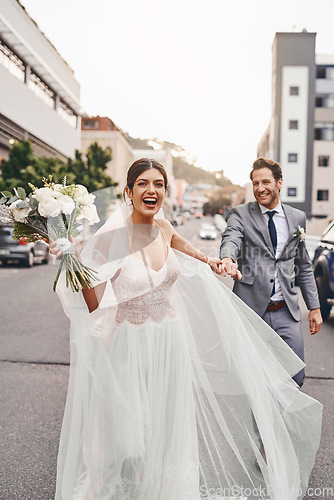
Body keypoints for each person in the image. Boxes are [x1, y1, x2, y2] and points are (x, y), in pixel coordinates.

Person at [51, 158, 322, 500]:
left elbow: (183, 245)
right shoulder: (112, 239)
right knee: (129, 442)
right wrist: (71, 262)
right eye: (144, 184)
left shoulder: (163, 228)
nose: (152, 190)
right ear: (129, 191)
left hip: (170, 343)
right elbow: (94, 306)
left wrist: (211, 260)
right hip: (131, 347)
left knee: (167, 433)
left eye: (159, 184)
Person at [220, 157, 322, 388]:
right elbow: (231, 238)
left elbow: (303, 265)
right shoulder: (241, 214)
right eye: (255, 183)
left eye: (265, 182)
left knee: (296, 376)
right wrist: (227, 257)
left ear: (279, 183)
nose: (260, 188)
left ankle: (276, 418)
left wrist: (314, 307)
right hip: (252, 310)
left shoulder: (297, 218)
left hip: (286, 310)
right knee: (252, 378)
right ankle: (261, 423)